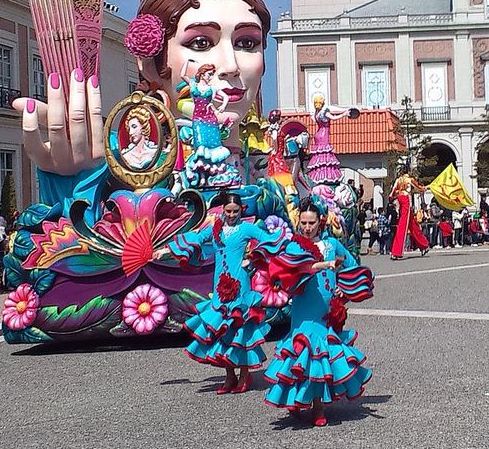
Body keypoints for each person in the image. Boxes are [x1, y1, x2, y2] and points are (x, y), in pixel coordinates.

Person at [263, 199, 374, 427]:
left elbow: (351, 264)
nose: (307, 227)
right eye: (303, 223)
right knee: (306, 353)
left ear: (320, 222)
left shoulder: (332, 244)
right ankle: (312, 404)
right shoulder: (294, 246)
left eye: (311, 223)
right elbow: (294, 270)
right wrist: (326, 265)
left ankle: (316, 404)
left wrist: (345, 288)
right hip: (304, 309)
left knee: (322, 355)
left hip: (326, 309)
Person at [161, 192, 274, 394]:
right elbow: (196, 238)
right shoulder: (216, 229)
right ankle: (229, 375)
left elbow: (269, 241)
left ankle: (244, 374)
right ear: (223, 210)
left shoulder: (246, 228)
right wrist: (165, 251)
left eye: (235, 211)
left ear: (241, 210)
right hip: (220, 284)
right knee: (221, 328)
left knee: (240, 327)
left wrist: (253, 259)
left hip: (240, 283)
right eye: (228, 211)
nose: (231, 215)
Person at [389, 172, 429, 260]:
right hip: (406, 200)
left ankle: (423, 245)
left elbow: (391, 194)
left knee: (412, 225)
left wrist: (396, 195)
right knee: (403, 226)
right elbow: (419, 188)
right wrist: (426, 187)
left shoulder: (398, 180)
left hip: (400, 199)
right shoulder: (409, 179)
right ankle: (397, 251)